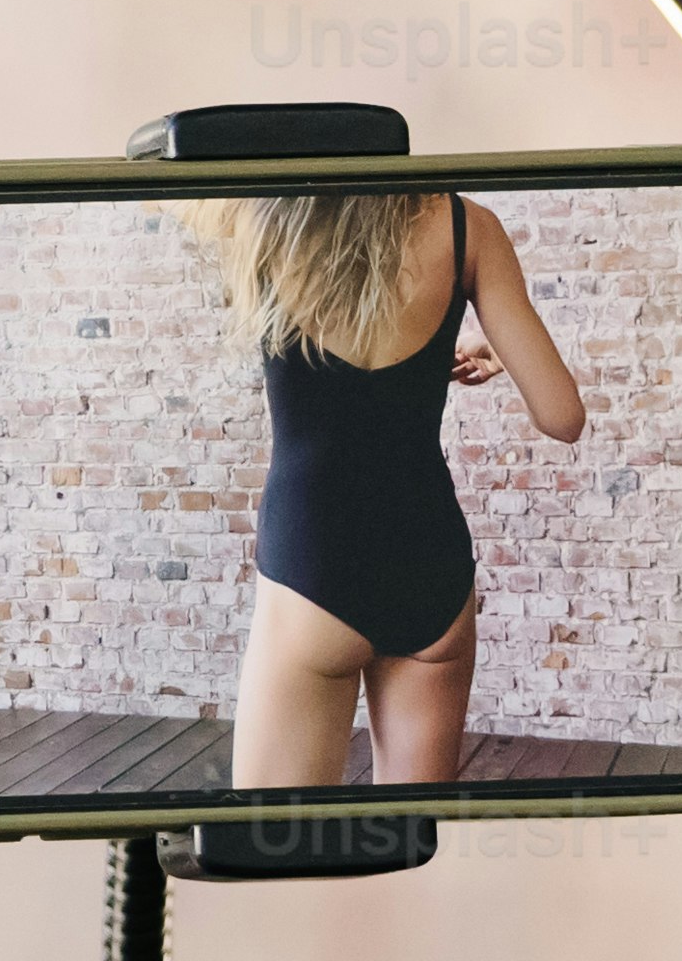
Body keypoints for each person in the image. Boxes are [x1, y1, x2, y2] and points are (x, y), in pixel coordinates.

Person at [197, 185, 584, 791]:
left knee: (279, 842)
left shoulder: (264, 213)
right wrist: (507, 351)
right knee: (403, 840)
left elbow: (157, 188)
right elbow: (563, 417)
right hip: (429, 567)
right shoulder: (466, 225)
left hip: (313, 561)